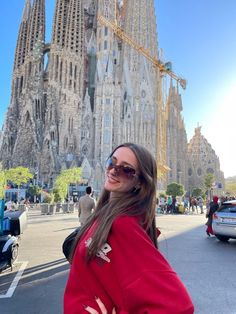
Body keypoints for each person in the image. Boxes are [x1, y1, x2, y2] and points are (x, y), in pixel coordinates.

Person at [64, 143, 194, 313]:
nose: (113, 171)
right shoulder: (105, 214)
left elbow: (178, 306)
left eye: (126, 170)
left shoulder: (122, 224)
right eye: (112, 162)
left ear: (139, 182)